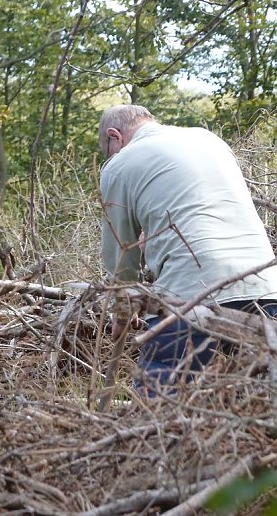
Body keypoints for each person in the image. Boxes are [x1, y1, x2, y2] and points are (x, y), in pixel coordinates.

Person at [98, 104, 277, 392]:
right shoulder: (209, 140)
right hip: (266, 287)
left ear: (114, 136)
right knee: (250, 406)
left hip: (191, 294)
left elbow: (121, 255)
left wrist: (122, 309)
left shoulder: (119, 165)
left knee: (157, 405)